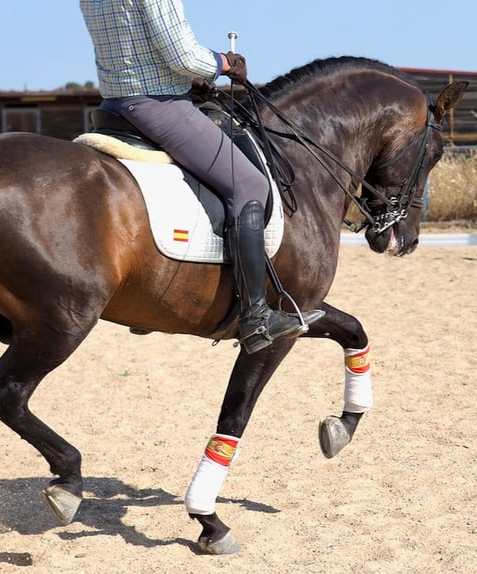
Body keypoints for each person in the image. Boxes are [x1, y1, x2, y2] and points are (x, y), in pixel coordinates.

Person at [79, 0, 323, 354]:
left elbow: (135, 50)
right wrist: (224, 63)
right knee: (249, 185)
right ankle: (256, 316)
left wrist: (186, 81)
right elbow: (184, 56)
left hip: (114, 105)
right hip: (157, 106)